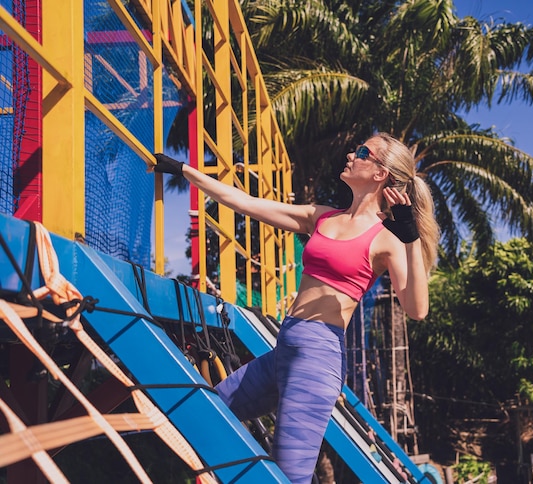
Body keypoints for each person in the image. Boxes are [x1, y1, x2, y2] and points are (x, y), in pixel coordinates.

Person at [152, 132, 440, 483]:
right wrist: (184, 170)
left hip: (317, 363)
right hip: (284, 353)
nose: (351, 154)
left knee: (289, 478)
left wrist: (410, 239)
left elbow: (416, 309)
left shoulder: (387, 239)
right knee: (202, 415)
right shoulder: (322, 217)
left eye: (363, 152)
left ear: (380, 174)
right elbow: (244, 203)